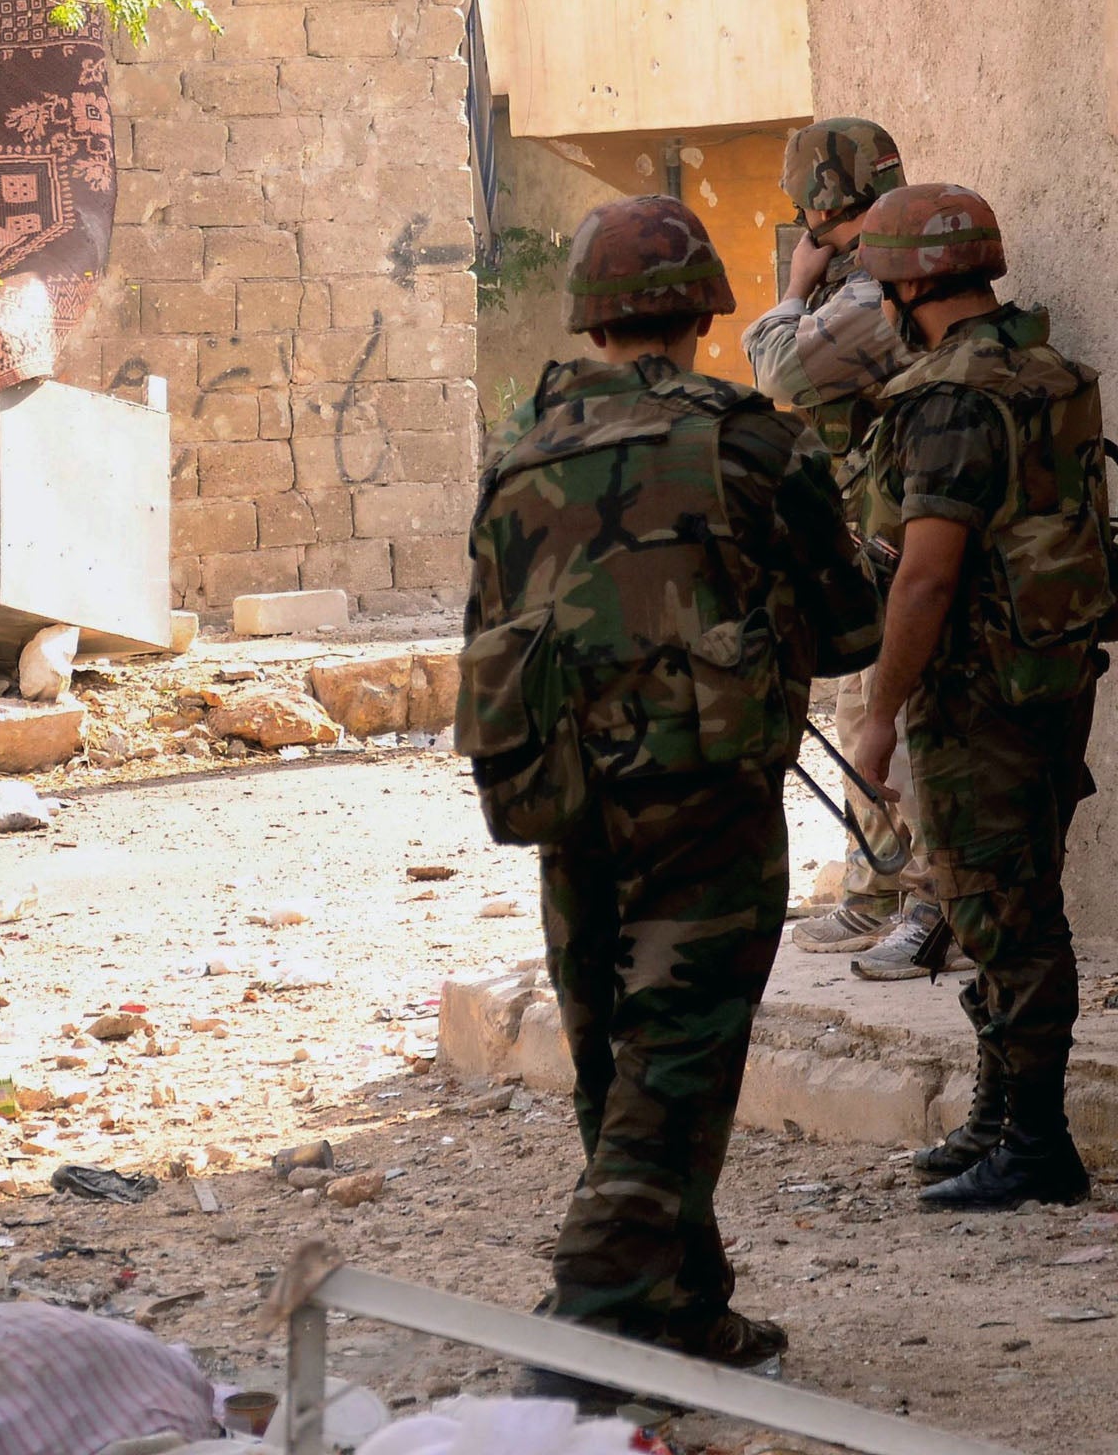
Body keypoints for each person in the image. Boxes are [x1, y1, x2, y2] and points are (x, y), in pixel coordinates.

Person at [457, 195, 883, 1406]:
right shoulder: (755, 440)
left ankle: (682, 1312)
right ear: (703, 311)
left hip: (562, 790)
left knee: (611, 1050)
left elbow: (492, 629)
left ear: (586, 318)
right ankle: (584, 1325)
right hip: (702, 791)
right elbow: (850, 626)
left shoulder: (517, 453)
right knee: (678, 1051)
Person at [848, 184, 1113, 1208]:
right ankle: (996, 1119)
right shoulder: (1043, 369)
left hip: (976, 692)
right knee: (1008, 898)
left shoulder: (948, 396)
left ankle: (1035, 1146)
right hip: (1049, 666)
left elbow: (923, 574)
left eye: (878, 275)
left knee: (1005, 915)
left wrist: (876, 715)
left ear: (912, 280)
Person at [743, 119, 946, 978]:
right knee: (862, 712)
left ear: (820, 204)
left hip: (913, 526)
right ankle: (878, 885)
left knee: (913, 726)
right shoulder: (869, 277)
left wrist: (793, 289)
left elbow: (777, 372)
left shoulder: (873, 289)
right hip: (877, 524)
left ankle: (934, 903)